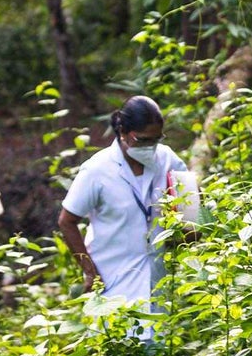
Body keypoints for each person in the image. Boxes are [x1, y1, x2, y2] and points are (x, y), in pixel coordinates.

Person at [58, 96, 189, 341]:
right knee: (119, 352)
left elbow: (191, 205)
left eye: (156, 139)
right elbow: (67, 221)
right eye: (143, 140)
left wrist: (188, 230)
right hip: (113, 278)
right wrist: (90, 272)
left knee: (157, 353)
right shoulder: (97, 170)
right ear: (124, 133)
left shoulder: (167, 158)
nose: (151, 146)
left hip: (157, 276)